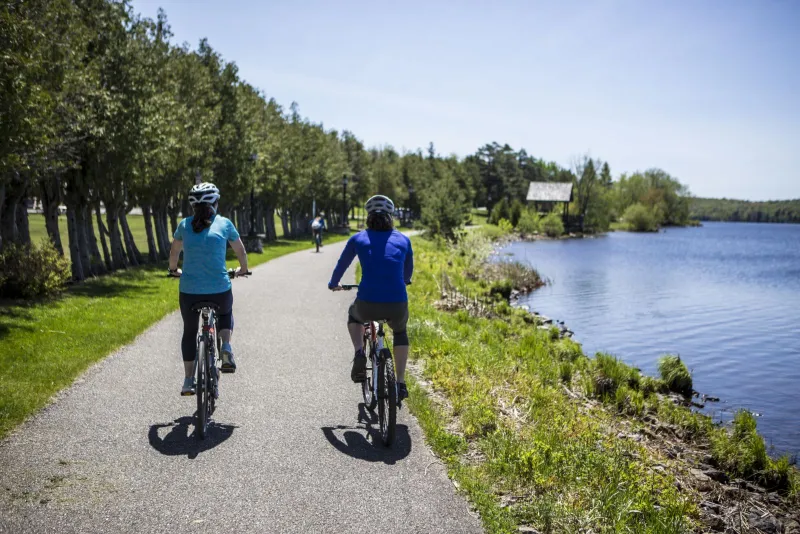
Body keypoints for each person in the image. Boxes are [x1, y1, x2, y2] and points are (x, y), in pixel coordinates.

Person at [328, 195, 413, 402]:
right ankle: (400, 383)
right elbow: (407, 271)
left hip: (367, 303)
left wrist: (334, 283)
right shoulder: (403, 239)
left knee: (353, 316)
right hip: (397, 303)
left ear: (368, 217)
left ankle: (359, 352)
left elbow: (342, 264)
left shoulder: (358, 238)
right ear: (390, 216)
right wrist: (405, 280)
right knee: (400, 332)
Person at [168, 182, 249, 396]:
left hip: (190, 292)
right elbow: (240, 250)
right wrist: (243, 269)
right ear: (215, 202)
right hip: (218, 290)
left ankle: (187, 381)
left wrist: (174, 270)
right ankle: (226, 348)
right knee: (225, 313)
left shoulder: (184, 225)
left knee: (189, 331)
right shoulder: (224, 224)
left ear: (192, 206)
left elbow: (174, 252)